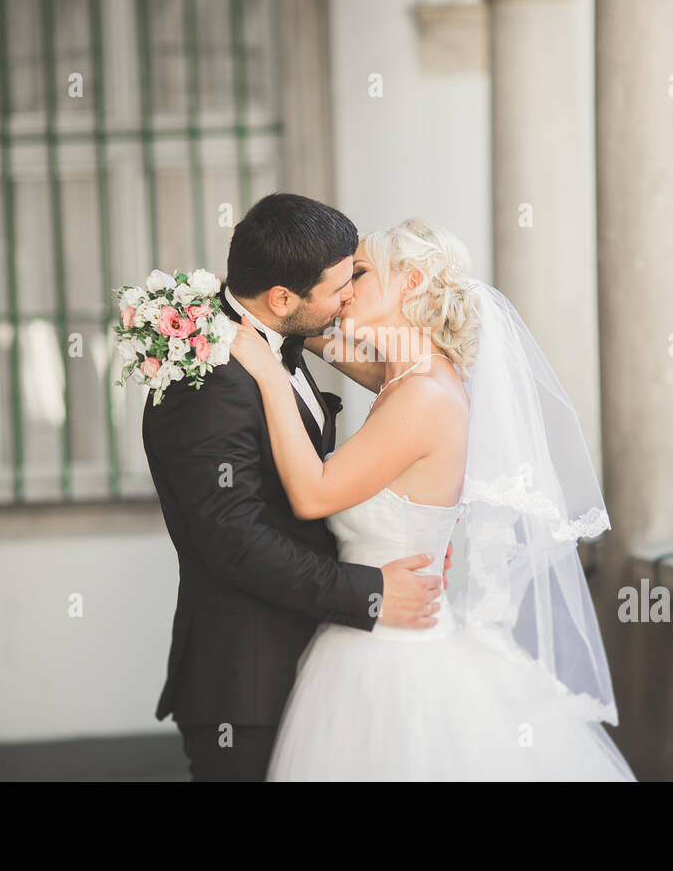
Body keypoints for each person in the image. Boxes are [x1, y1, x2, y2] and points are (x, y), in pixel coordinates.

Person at [230, 216, 635, 780]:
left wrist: (269, 377)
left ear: (413, 282)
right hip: (371, 629)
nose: (345, 286)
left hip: (394, 654)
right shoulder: (402, 375)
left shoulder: (423, 395)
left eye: (361, 272)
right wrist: (227, 307)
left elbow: (313, 493)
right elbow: (316, 335)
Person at [141, 194, 449, 781]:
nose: (350, 295)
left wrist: (423, 522)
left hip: (323, 664)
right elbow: (236, 541)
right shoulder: (208, 380)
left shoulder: (285, 336)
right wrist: (370, 587)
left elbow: (403, 379)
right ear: (283, 297)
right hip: (249, 684)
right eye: (341, 287)